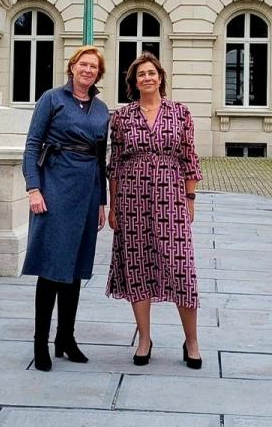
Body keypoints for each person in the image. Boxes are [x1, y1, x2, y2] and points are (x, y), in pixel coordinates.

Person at [106, 51, 204, 369]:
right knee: (137, 267)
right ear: (134, 83)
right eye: (141, 75)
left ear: (161, 77)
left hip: (171, 196)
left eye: (152, 73)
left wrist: (190, 199)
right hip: (132, 201)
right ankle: (145, 338)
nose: (147, 78)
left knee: (181, 268)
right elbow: (115, 166)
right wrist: (114, 206)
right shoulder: (121, 118)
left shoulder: (180, 113)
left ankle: (192, 340)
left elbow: (190, 157)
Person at [21, 46, 109, 372]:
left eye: (93, 67)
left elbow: (102, 159)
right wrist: (33, 187)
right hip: (54, 187)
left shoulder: (101, 110)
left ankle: (66, 339)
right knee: (51, 268)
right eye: (83, 65)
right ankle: (40, 342)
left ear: (98, 74)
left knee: (74, 270)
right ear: (72, 67)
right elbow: (32, 144)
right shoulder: (52, 99)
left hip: (87, 192)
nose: (87, 70)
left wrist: (102, 202)